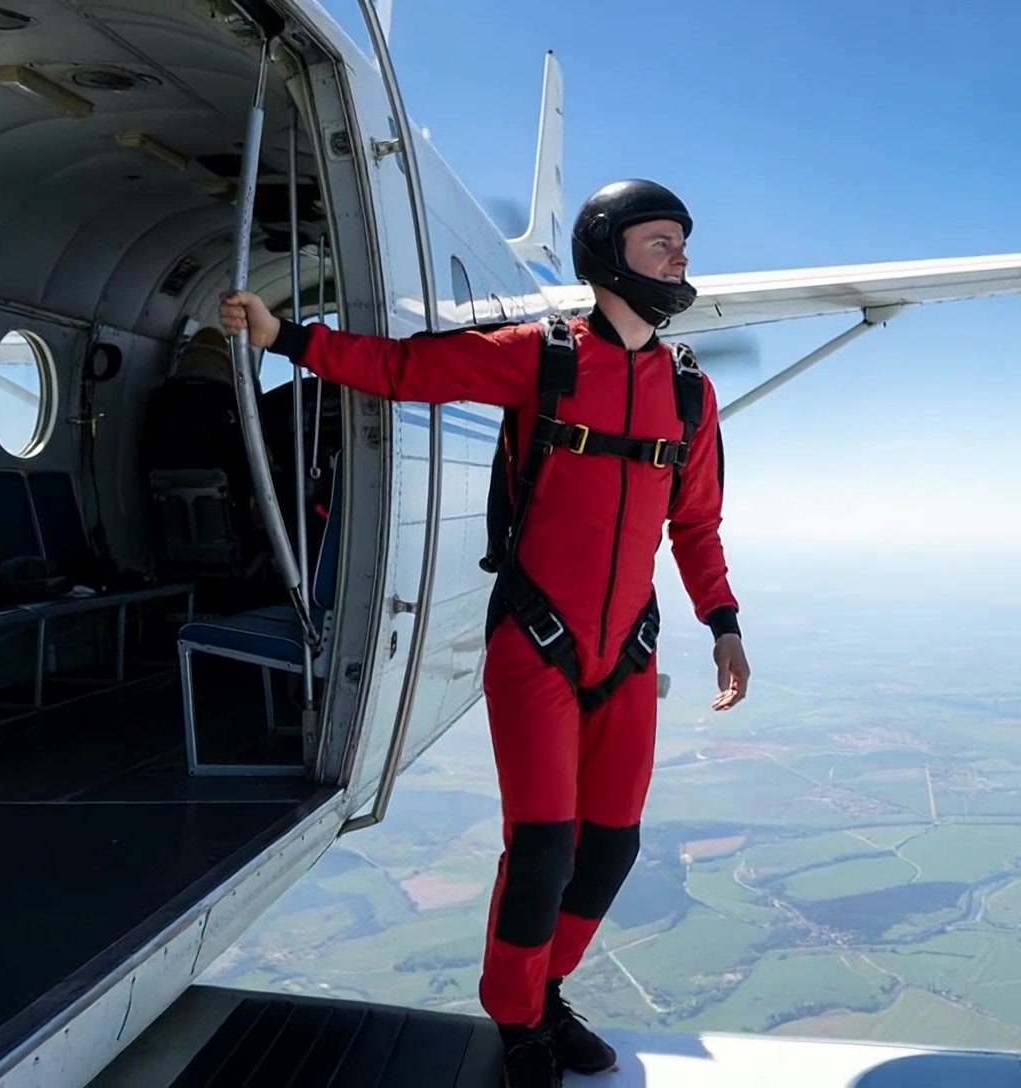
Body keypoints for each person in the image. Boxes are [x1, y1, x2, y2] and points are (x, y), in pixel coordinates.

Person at [220, 178, 751, 1086]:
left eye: (682, 242)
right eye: (660, 242)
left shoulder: (689, 394)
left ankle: (545, 993)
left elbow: (695, 526)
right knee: (543, 845)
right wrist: (288, 339)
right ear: (609, 254)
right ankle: (518, 1022)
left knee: (611, 847)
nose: (680, 258)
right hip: (536, 639)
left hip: (629, 649)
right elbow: (405, 371)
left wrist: (723, 624)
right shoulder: (540, 357)